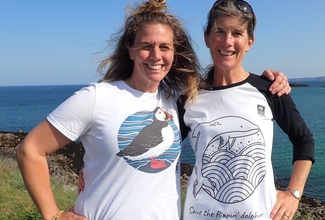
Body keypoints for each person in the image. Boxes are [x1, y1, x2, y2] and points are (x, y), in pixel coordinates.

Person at [16, 0, 290, 219]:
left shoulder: (176, 99)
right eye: (146, 46)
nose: (156, 55)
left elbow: (220, 103)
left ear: (174, 53)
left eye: (164, 47)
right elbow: (30, 150)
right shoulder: (97, 97)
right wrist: (53, 215)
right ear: (131, 51)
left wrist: (269, 82)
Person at [178, 1, 315, 220]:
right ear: (207, 38)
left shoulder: (269, 89)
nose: (228, 41)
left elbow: (303, 139)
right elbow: (162, 148)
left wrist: (294, 193)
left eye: (237, 33)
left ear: (250, 42)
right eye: (219, 31)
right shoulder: (190, 97)